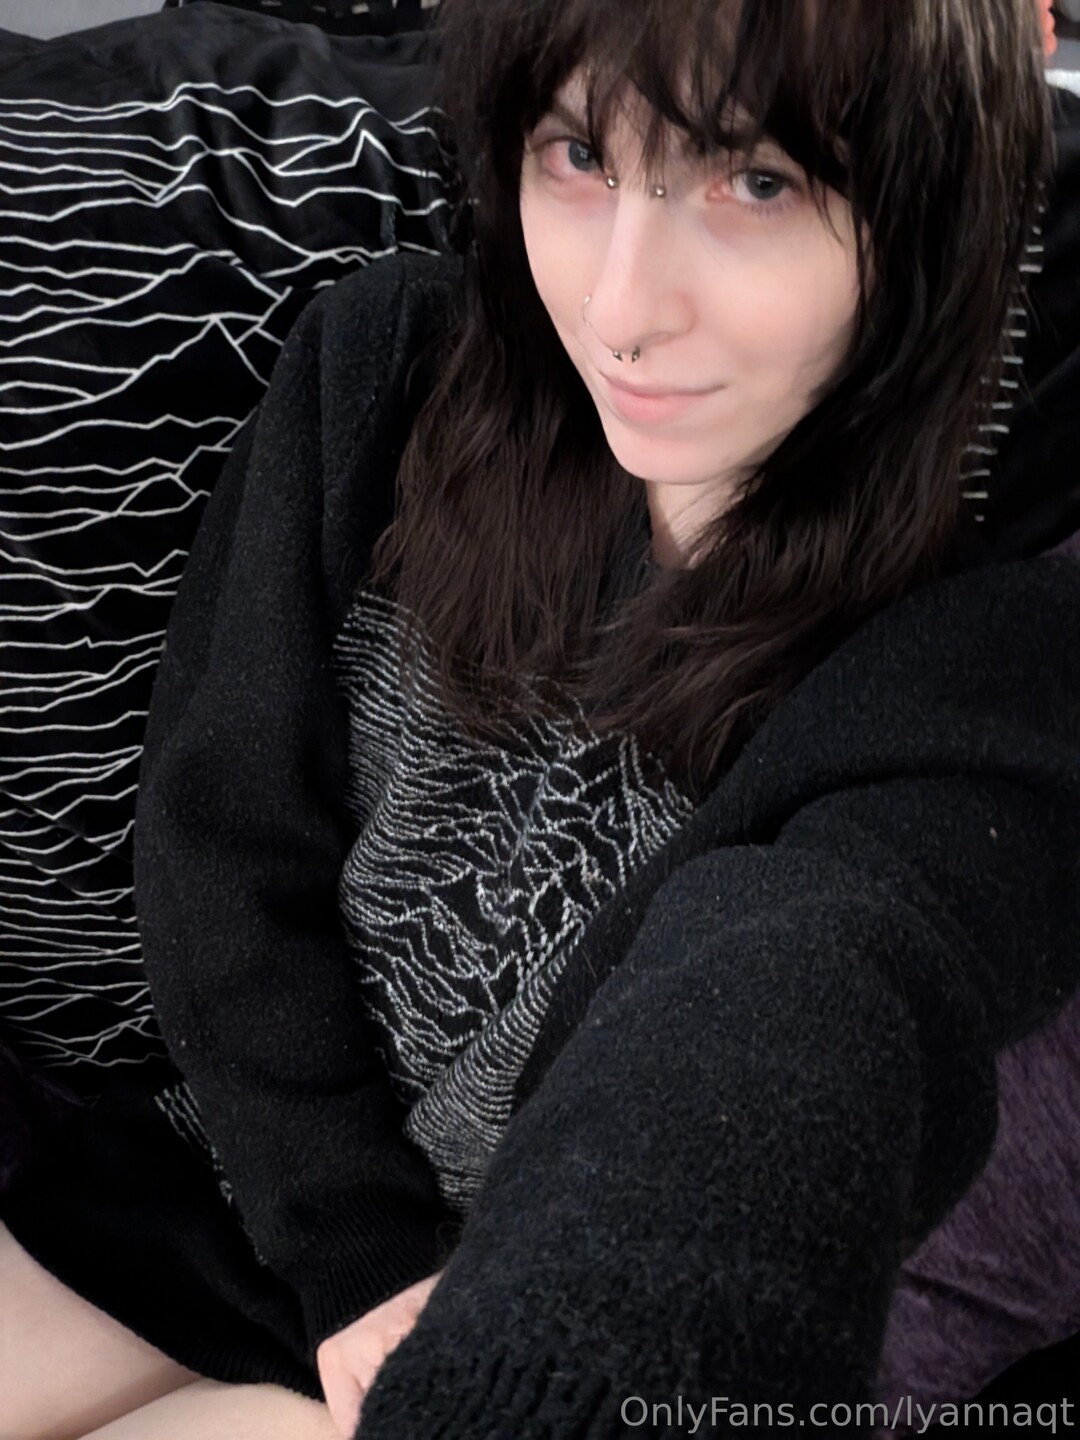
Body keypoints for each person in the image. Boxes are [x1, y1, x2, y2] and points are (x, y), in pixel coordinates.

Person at [1, 0, 1076, 1437]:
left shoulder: (959, 663)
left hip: (447, 1344)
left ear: (935, 209)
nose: (622, 306)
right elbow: (219, 844)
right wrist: (355, 1252)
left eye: (754, 180)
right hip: (154, 1200)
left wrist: (447, 1324)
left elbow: (808, 1007)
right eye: (579, 156)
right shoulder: (381, 370)